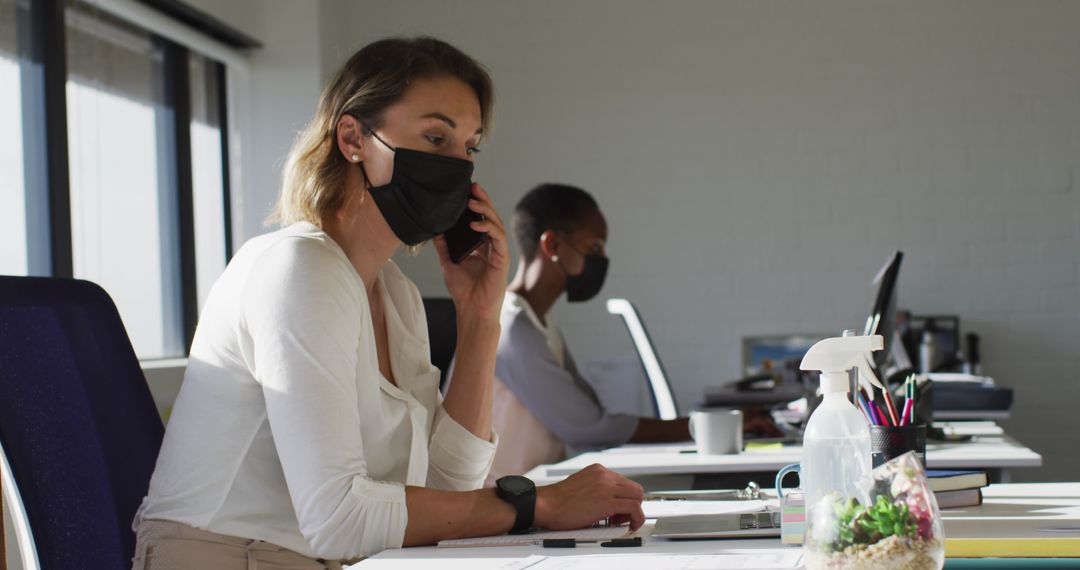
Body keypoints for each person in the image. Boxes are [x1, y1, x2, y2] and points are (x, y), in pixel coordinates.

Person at [132, 38, 644, 569]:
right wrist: (540, 503)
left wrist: (479, 320)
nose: (456, 165)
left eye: (468, 147)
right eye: (435, 136)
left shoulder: (392, 291)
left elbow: (447, 489)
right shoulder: (297, 268)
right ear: (353, 138)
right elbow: (338, 519)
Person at [489, 184, 779, 483]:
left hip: (531, 490)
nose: (601, 259)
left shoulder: (540, 321)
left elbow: (588, 408)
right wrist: (702, 427)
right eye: (594, 248)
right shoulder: (513, 328)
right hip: (502, 499)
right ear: (552, 245)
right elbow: (589, 428)